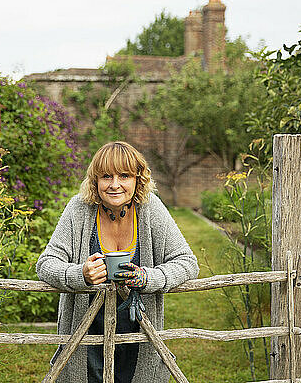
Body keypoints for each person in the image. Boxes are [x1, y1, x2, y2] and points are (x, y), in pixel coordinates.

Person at [36, 141, 199, 383]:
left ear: (138, 179)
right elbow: (46, 264)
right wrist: (81, 274)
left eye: (124, 175)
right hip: (84, 336)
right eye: (106, 176)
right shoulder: (78, 209)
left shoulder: (150, 208)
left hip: (140, 335)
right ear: (95, 181)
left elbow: (187, 262)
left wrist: (148, 278)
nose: (114, 185)